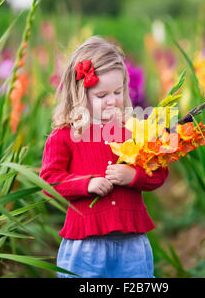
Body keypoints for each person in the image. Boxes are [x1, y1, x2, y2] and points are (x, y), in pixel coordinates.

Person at [39, 36, 169, 278]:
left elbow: (159, 171)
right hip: (86, 246)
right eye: (102, 95)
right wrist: (86, 184)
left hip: (131, 244)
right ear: (80, 94)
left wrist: (134, 175)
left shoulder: (133, 130)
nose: (112, 100)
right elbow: (49, 180)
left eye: (118, 92)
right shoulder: (66, 135)